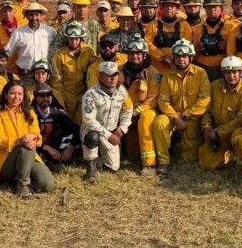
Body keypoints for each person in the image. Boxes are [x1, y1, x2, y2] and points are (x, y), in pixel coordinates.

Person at [0, 81, 54, 199]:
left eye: (20, 94)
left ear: (24, 96)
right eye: (13, 93)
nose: (16, 97)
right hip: (4, 159)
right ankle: (22, 186)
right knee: (25, 147)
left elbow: (38, 137)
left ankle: (17, 181)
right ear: (6, 95)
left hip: (27, 155)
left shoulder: (30, 113)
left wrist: (32, 138)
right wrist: (20, 141)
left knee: (46, 184)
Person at [153, 39, 211, 172]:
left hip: (193, 118)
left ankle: (178, 147)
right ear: (173, 57)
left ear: (190, 57)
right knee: (159, 122)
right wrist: (175, 118)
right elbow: (163, 101)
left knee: (189, 159)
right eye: (178, 56)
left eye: (184, 56)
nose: (181, 59)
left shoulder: (201, 73)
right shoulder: (167, 76)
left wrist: (184, 115)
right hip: (173, 117)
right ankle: (163, 162)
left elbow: (204, 101)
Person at [198, 56, 242, 171]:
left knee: (239, 137)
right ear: (223, 73)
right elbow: (207, 109)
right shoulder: (214, 86)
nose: (231, 76)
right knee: (205, 164)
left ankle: (238, 160)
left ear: (241, 73)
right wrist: (207, 127)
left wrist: (218, 132)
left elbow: (241, 120)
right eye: (227, 72)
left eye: (235, 72)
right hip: (216, 132)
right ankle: (228, 158)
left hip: (235, 132)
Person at [80, 61, 134, 182]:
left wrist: (122, 128)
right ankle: (91, 170)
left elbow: (128, 110)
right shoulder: (90, 94)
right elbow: (88, 119)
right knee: (92, 137)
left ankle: (99, 162)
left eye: (115, 74)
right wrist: (108, 135)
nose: (113, 78)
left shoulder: (122, 91)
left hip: (112, 131)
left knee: (113, 167)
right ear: (100, 76)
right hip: (93, 130)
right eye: (109, 75)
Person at [121, 38, 161, 175]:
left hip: (146, 110)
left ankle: (149, 165)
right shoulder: (120, 71)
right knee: (132, 154)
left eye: (138, 53)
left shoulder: (153, 73)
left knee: (145, 121)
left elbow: (153, 99)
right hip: (126, 111)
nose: (135, 56)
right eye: (131, 53)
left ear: (144, 55)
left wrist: (137, 111)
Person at [51, 22, 96, 121]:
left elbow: (94, 72)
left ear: (81, 39)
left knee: (83, 123)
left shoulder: (89, 51)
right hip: (67, 96)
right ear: (67, 39)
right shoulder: (59, 56)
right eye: (71, 39)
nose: (74, 42)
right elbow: (56, 80)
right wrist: (61, 101)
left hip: (84, 95)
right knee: (69, 124)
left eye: (76, 39)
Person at [32, 83, 79, 172]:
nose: (45, 99)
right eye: (42, 96)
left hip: (56, 148)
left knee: (72, 133)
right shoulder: (30, 114)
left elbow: (76, 128)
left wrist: (70, 147)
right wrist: (45, 147)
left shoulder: (58, 113)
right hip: (38, 147)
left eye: (48, 96)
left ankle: (62, 160)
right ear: (35, 97)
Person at [7, 2, 56, 76]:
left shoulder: (50, 31)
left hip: (44, 74)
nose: (34, 18)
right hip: (26, 74)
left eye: (36, 15)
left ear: (41, 16)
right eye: (31, 15)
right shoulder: (18, 32)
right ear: (26, 16)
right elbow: (8, 51)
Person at [145, 0, 185, 74]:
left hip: (177, 69)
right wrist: (163, 57)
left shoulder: (184, 26)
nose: (169, 8)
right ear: (161, 8)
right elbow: (147, 44)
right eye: (166, 5)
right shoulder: (152, 25)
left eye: (172, 6)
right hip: (157, 70)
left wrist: (175, 58)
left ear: (177, 9)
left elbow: (187, 45)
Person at [195, 0, 231, 82]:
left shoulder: (230, 26)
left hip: (223, 67)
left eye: (215, 7)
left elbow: (235, 48)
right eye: (209, 7)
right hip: (203, 67)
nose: (212, 9)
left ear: (221, 9)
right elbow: (193, 50)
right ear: (205, 9)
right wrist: (197, 49)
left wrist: (226, 47)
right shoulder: (198, 28)